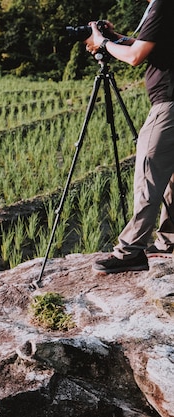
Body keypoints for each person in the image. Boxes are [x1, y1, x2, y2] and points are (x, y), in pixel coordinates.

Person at [84, 0, 174, 273]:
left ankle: (130, 252)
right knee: (172, 177)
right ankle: (170, 241)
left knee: (148, 172)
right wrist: (116, 37)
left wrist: (102, 43)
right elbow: (147, 45)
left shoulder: (162, 5)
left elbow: (136, 57)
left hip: (167, 104)